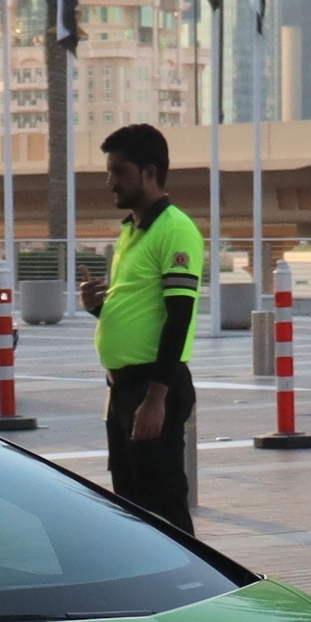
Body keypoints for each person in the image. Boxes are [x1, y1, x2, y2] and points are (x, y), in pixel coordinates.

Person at [94, 123, 201, 532]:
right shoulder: (131, 230)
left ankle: (188, 589)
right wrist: (100, 310)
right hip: (124, 388)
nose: (110, 182)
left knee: (164, 506)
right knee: (131, 509)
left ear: (149, 173)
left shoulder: (174, 229)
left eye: (119, 172)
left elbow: (179, 317)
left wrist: (157, 397)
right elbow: (141, 309)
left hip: (153, 385)